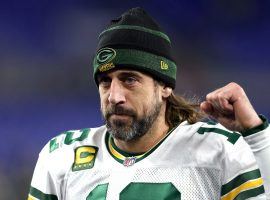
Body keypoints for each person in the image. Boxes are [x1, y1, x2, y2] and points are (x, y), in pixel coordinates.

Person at [27, 7, 270, 200]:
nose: (114, 96)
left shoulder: (217, 150)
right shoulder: (61, 156)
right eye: (104, 81)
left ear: (165, 86)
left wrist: (256, 134)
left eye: (129, 80)